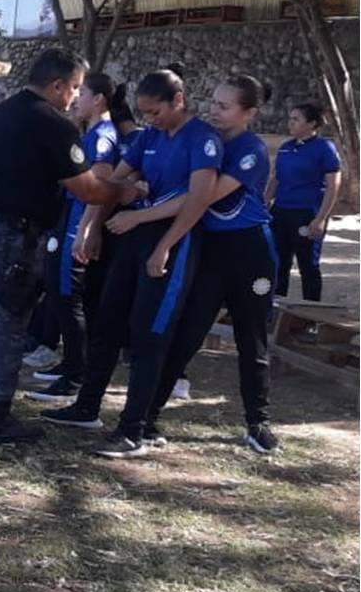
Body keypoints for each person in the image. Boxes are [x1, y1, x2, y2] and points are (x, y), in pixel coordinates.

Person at [0, 48, 136, 446]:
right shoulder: (53, 124)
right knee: (5, 327)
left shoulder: (6, 110)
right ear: (57, 85)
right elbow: (86, 188)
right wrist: (124, 191)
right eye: (74, 88)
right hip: (9, 236)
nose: (74, 97)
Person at [42, 68, 223, 457]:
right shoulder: (149, 138)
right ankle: (87, 406)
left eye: (155, 111)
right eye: (144, 112)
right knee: (107, 322)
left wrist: (164, 247)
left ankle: (134, 428)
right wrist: (91, 226)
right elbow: (114, 183)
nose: (150, 119)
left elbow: (197, 199)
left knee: (148, 336)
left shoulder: (202, 140)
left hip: (174, 241)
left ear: (178, 101)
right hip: (131, 239)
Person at [141, 76, 281, 454]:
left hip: (250, 252)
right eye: (213, 103)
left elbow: (201, 198)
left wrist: (142, 219)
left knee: (251, 339)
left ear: (249, 112)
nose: (214, 111)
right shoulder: (206, 141)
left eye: (224, 106)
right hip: (211, 250)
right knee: (187, 333)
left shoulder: (251, 149)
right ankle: (147, 417)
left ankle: (258, 422)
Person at [24, 74, 124, 404]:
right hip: (67, 219)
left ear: (99, 100)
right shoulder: (90, 133)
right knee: (58, 292)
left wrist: (87, 228)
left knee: (68, 295)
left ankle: (75, 375)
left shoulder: (104, 137)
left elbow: (103, 183)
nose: (77, 99)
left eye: (83, 93)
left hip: (77, 222)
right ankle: (70, 363)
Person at [266, 101, 343, 302]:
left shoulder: (324, 148)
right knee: (278, 263)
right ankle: (274, 311)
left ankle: (309, 317)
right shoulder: (285, 148)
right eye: (290, 118)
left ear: (312, 124)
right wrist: (265, 202)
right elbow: (275, 179)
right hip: (280, 213)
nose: (290, 123)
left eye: (296, 119)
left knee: (307, 265)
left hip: (307, 214)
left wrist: (321, 218)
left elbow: (333, 186)